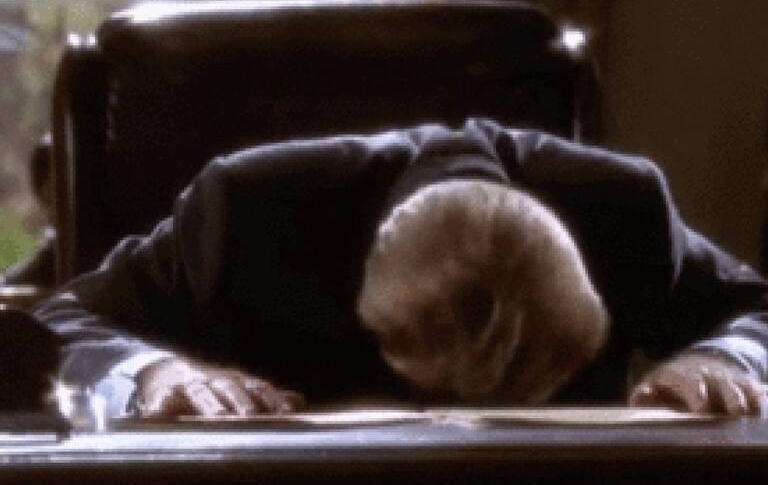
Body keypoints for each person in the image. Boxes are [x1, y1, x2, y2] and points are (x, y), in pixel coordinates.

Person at [33, 118, 768, 419]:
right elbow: (57, 320)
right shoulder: (246, 212)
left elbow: (759, 310)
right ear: (378, 323)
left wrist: (722, 358)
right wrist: (153, 372)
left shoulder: (623, 210)